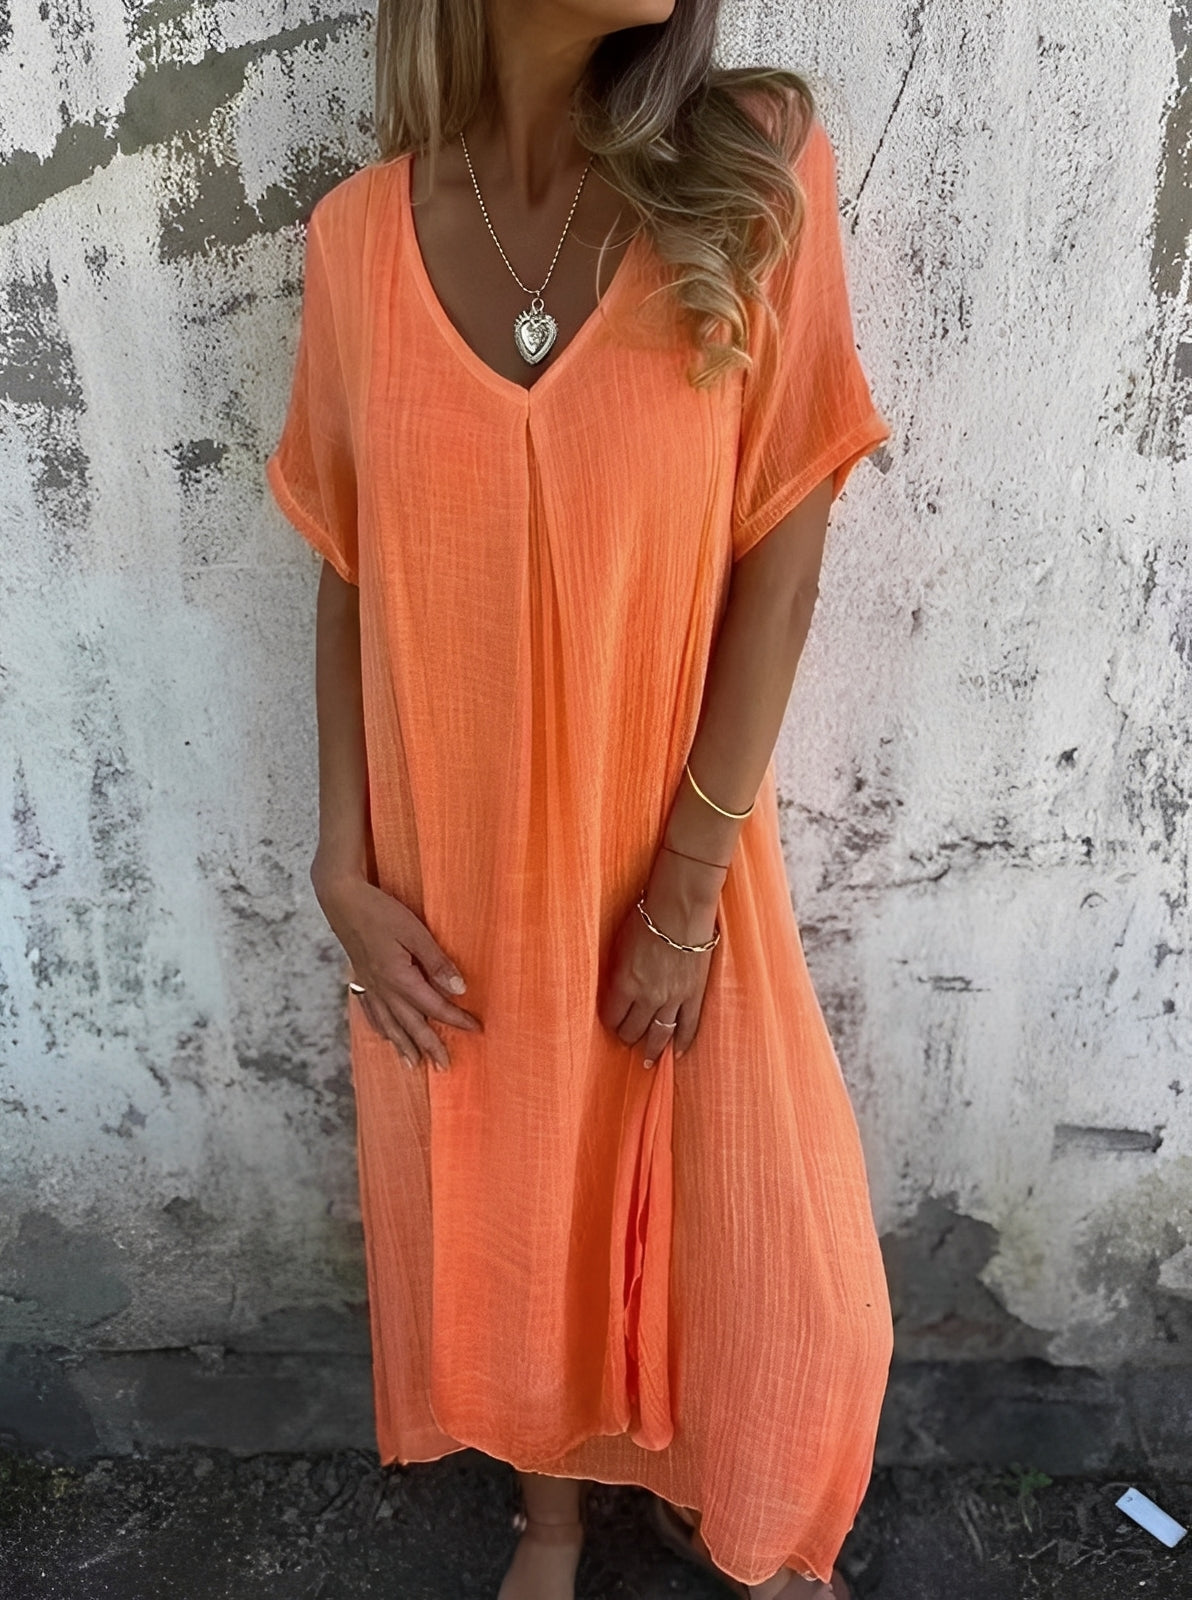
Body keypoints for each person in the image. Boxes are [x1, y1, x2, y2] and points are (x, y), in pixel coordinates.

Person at [264, 1, 895, 1595]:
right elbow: (348, 570)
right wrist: (341, 862)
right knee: (517, 1210)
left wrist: (685, 887)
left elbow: (787, 553)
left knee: (780, 1255)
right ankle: (548, 1520)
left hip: (677, 852)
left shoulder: (754, 165)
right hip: (454, 859)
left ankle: (731, 1490)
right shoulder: (357, 241)